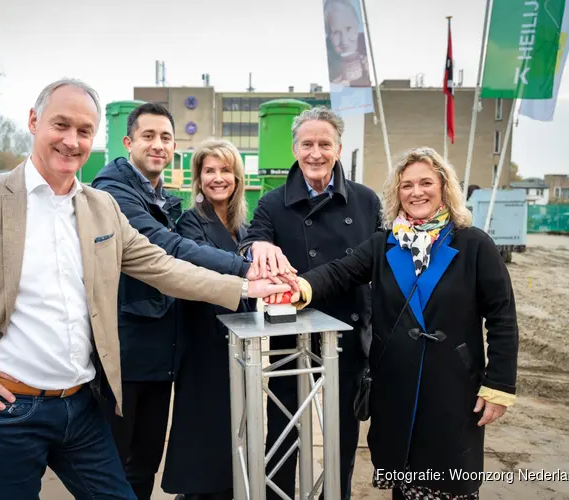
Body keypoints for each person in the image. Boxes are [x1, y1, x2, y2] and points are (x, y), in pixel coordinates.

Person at [0, 79, 289, 500]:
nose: (72, 141)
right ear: (33, 121)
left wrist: (248, 286)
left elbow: (163, 266)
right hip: (8, 409)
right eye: (60, 125)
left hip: (82, 406)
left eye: (84, 131)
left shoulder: (100, 207)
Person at [280, 147, 519, 499]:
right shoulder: (384, 242)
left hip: (454, 386)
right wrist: (300, 286)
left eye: (426, 182)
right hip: (396, 385)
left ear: (444, 188)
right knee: (404, 480)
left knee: (449, 481)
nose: (416, 192)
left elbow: (503, 317)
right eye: (407, 185)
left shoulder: (474, 244)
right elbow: (338, 272)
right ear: (397, 192)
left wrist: (499, 384)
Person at [91, 104, 292, 500]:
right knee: (114, 460)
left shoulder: (164, 199)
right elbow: (170, 250)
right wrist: (246, 270)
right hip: (128, 346)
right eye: (148, 136)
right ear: (128, 142)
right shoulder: (115, 193)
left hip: (161, 348)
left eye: (165, 138)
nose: (158, 145)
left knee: (144, 458)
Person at [238, 106, 382, 500]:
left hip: (349, 332)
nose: (315, 153)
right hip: (291, 332)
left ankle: (334, 495)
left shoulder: (367, 201)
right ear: (294, 148)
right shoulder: (271, 203)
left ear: (338, 148)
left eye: (324, 144)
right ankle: (277, 495)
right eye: (307, 144)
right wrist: (258, 245)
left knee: (341, 430)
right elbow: (251, 241)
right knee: (284, 423)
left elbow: (381, 261)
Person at [161, 139, 252, 500]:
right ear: (198, 179)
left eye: (225, 170)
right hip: (203, 341)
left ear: (237, 177)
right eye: (209, 171)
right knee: (203, 425)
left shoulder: (242, 224)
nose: (218, 178)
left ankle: (227, 489)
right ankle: (197, 493)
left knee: (233, 424)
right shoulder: (190, 223)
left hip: (239, 341)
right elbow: (200, 268)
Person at [323, 0, 371, 87]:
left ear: (357, 25)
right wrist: (338, 86)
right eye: (336, 32)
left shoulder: (367, 49)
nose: (344, 41)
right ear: (329, 36)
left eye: (349, 28)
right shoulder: (330, 61)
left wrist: (366, 73)